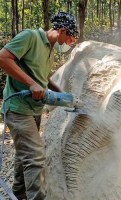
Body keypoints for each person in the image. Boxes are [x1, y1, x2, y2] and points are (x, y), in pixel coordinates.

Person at [0, 11, 79, 200]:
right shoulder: (30, 37)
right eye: (70, 40)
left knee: (24, 155)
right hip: (18, 108)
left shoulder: (50, 49)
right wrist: (31, 84)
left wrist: (61, 94)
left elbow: (42, 78)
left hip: (33, 109)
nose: (69, 45)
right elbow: (3, 58)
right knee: (35, 158)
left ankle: (20, 193)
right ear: (61, 31)